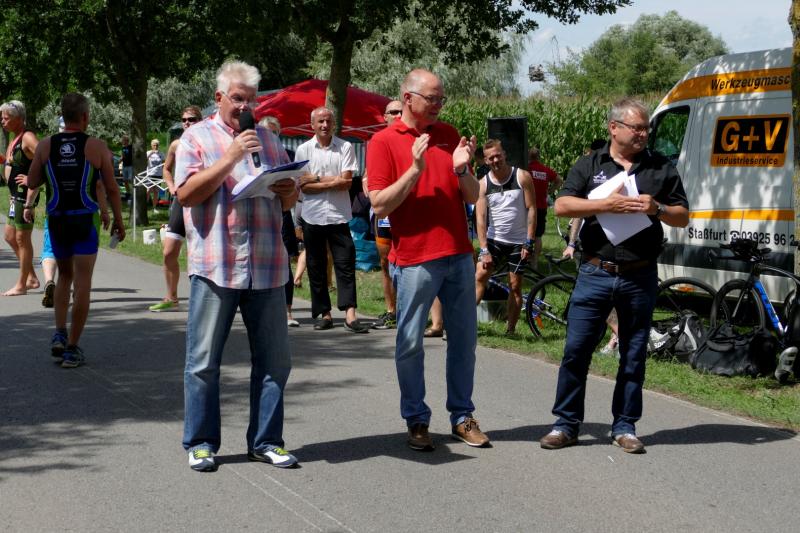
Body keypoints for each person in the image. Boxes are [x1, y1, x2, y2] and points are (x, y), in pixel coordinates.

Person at [540, 98, 689, 454]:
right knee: (576, 351)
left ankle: (625, 426)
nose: (643, 134)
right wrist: (604, 205)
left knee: (634, 354)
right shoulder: (590, 164)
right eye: (636, 128)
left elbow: (683, 215)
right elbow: (562, 205)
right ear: (614, 128)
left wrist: (658, 208)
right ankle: (565, 424)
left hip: (639, 275)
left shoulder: (660, 167)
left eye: (645, 128)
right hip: (595, 271)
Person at [174, 61, 298, 472]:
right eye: (239, 98)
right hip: (217, 265)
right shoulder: (195, 137)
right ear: (219, 98)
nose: (246, 107)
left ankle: (266, 441)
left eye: (252, 100)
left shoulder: (269, 140)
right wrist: (229, 157)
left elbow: (288, 199)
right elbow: (186, 195)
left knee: (275, 362)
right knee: (204, 362)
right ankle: (201, 442)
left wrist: (287, 190)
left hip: (267, 264)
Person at [367, 68, 490, 450]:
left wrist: (462, 168)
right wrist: (415, 170)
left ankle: (462, 416)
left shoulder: (449, 135)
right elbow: (379, 204)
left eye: (441, 99)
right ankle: (417, 419)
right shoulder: (383, 142)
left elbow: (472, 196)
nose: (438, 105)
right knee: (410, 343)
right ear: (408, 98)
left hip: (458, 255)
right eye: (431, 99)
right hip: (414, 260)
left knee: (464, 342)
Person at [23, 92, 126, 368]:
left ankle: (59, 332)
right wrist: (118, 219)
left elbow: (31, 181)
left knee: (64, 276)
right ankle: (72, 348)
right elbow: (111, 187)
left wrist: (49, 169)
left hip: (58, 219)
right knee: (82, 283)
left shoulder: (46, 145)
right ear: (85, 117)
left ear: (62, 116)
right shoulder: (96, 146)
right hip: (84, 219)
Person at [295, 106, 368, 333]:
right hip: (312, 216)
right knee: (315, 266)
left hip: (338, 216)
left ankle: (350, 315)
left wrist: (316, 180)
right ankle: (324, 314)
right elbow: (303, 186)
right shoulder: (303, 150)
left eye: (328, 121)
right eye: (320, 122)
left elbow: (346, 183)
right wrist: (331, 181)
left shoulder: (345, 147)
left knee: (345, 264)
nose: (325, 125)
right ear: (312, 125)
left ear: (334, 123)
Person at [474, 139, 536, 335]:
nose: (495, 160)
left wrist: (529, 241)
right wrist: (484, 249)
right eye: (490, 158)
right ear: (485, 160)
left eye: (498, 155)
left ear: (504, 154)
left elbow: (532, 209)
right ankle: (464, 323)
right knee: (479, 276)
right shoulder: (483, 184)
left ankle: (510, 330)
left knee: (515, 286)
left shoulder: (522, 176)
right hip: (495, 239)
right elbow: (481, 218)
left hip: (519, 241)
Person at [148, 106, 203, 312]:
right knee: (169, 251)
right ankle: (171, 297)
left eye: (192, 119)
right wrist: (171, 187)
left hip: (203, 200)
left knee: (198, 253)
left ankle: (205, 300)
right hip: (181, 201)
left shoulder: (207, 143)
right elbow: (166, 169)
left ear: (200, 121)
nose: (187, 123)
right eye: (184, 119)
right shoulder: (176, 145)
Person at [362, 99, 403, 330]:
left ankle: (410, 310)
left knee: (409, 260)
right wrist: (367, 183)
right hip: (385, 214)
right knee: (386, 261)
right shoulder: (376, 142)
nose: (397, 116)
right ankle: (391, 310)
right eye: (393, 112)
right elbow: (367, 176)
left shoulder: (411, 139)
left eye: (401, 112)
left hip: (407, 212)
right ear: (384, 117)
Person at [260, 115, 300, 327]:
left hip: (282, 212)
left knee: (284, 262)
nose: (272, 136)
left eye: (275, 133)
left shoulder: (288, 155)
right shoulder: (252, 154)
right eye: (268, 132)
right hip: (258, 214)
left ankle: (287, 311)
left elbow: (297, 184)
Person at [1, 100, 40, 296]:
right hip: (14, 196)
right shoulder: (14, 137)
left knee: (22, 239)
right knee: (9, 236)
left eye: (6, 118)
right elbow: (14, 163)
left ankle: (22, 284)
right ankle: (31, 277)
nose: (2, 121)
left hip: (25, 197)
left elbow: (45, 159)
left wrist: (31, 179)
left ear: (18, 119)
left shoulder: (28, 137)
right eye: (2, 118)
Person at [527, 146, 562, 268]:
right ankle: (535, 261)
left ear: (528, 156)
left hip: (527, 206)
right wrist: (550, 190)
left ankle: (525, 258)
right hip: (541, 206)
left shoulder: (527, 169)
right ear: (539, 156)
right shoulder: (545, 170)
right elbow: (559, 180)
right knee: (538, 235)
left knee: (526, 233)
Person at [146, 139, 165, 212]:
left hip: (158, 174)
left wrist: (163, 173)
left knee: (156, 191)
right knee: (148, 190)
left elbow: (163, 164)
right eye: (154, 145)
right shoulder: (148, 152)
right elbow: (144, 160)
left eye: (157, 145)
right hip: (150, 174)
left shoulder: (161, 153)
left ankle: (154, 208)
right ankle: (145, 206)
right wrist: (151, 153)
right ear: (151, 145)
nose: (155, 147)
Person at [120, 135, 133, 200]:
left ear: (127, 141)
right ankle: (128, 193)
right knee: (125, 181)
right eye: (123, 140)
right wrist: (120, 160)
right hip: (124, 166)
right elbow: (122, 156)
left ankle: (133, 193)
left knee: (130, 180)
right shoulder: (123, 148)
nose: (122, 141)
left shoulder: (131, 147)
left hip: (130, 166)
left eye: (124, 140)